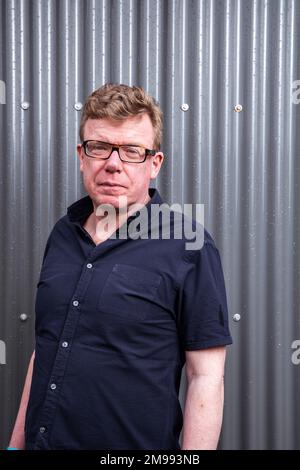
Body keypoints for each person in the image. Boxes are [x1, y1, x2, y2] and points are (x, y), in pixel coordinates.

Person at [8, 84, 232, 450]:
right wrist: (16, 445)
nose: (113, 163)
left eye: (131, 151)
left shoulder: (190, 244)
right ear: (82, 155)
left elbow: (205, 376)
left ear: (154, 164)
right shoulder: (63, 234)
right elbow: (46, 349)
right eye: (100, 147)